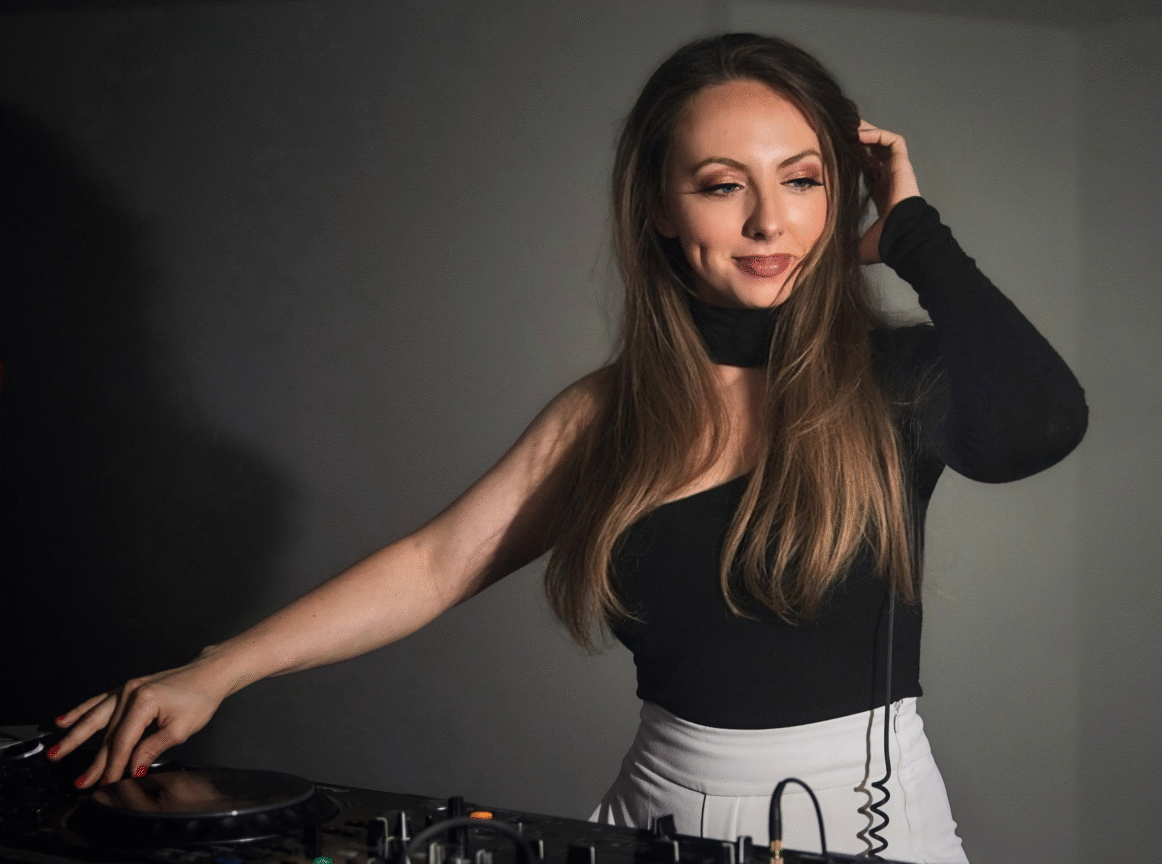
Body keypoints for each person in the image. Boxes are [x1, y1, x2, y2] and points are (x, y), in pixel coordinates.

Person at [46, 33, 1086, 863]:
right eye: (723, 184)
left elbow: (1040, 425)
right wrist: (215, 672)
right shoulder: (606, 414)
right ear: (661, 208)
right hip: (650, 817)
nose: (771, 221)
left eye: (804, 179)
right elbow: (436, 563)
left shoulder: (901, 379)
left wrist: (912, 233)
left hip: (875, 823)